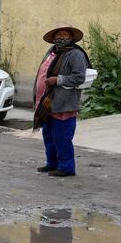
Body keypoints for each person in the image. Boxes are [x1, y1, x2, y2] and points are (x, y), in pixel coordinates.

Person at [33, 22, 90, 177]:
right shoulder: (52, 51)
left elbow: (79, 77)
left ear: (71, 37)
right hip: (47, 102)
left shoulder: (75, 54)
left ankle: (66, 167)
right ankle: (52, 163)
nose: (61, 37)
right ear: (53, 38)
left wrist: (58, 80)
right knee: (49, 135)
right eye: (58, 35)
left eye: (65, 34)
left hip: (63, 102)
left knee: (61, 136)